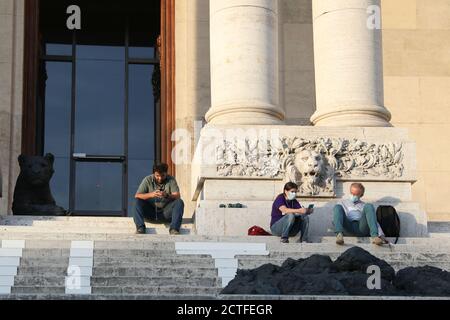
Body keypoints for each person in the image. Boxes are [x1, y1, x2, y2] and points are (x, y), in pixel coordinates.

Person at [133, 162, 184, 235]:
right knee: (137, 202)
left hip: (166, 213)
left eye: (162, 175)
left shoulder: (171, 180)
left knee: (179, 202)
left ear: (166, 173)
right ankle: (140, 228)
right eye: (157, 176)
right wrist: (151, 194)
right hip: (150, 212)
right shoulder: (148, 179)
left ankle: (174, 229)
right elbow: (137, 195)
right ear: (154, 174)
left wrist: (167, 195)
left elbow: (177, 196)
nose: (160, 178)